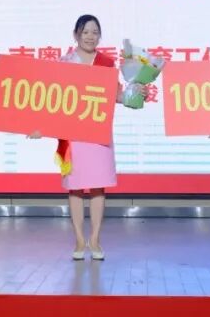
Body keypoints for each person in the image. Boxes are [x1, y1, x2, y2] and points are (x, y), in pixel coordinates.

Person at [29, 14, 139, 261]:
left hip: (98, 134)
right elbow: (53, 101)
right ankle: (79, 239)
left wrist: (136, 92)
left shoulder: (106, 63)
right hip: (74, 135)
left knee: (99, 187)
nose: (90, 36)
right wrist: (39, 127)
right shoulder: (65, 62)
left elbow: (116, 96)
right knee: (76, 188)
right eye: (86, 32)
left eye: (95, 32)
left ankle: (95, 239)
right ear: (76, 35)